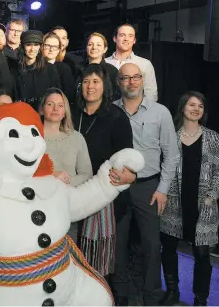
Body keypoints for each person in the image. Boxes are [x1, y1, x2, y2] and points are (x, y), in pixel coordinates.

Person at [0, 101, 145, 306]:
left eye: (33, 132)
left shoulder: (49, 184)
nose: (28, 143)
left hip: (67, 293)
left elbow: (79, 202)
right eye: (13, 133)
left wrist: (111, 179)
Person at [111, 63, 180, 306]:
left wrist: (162, 189)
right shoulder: (110, 111)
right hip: (116, 186)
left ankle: (151, 294)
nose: (131, 82)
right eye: (125, 78)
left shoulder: (160, 112)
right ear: (118, 82)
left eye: (136, 77)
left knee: (151, 244)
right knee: (117, 241)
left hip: (148, 187)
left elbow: (172, 154)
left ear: (143, 80)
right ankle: (120, 290)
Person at [160, 92, 219, 306]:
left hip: (203, 205)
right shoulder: (170, 135)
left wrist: (212, 196)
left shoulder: (213, 137)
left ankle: (201, 299)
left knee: (202, 255)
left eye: (200, 106)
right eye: (192, 104)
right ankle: (172, 291)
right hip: (173, 203)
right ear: (182, 108)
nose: (196, 109)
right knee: (168, 249)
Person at [72, 64, 134, 278]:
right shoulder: (71, 112)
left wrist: (131, 175)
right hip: (75, 191)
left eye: (96, 81)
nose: (90, 86)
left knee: (111, 260)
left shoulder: (116, 116)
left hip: (106, 196)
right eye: (86, 81)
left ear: (105, 86)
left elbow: (126, 157)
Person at [41, 88, 92, 187]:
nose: (55, 109)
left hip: (72, 197)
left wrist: (65, 184)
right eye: (50, 104)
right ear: (42, 109)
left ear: (65, 111)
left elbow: (87, 175)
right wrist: (51, 177)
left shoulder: (77, 138)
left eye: (60, 105)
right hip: (41, 198)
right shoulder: (32, 138)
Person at [10, 30, 63, 110]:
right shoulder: (13, 69)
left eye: (36, 44)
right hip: (19, 114)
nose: (32, 49)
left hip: (43, 114)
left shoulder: (50, 69)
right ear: (22, 46)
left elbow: (56, 95)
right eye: (28, 45)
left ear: (40, 47)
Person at [105, 24, 158, 101]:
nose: (126, 39)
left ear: (134, 40)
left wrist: (144, 112)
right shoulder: (104, 63)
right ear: (115, 38)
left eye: (130, 36)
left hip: (136, 112)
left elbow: (151, 93)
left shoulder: (145, 64)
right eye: (122, 35)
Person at [85, 32, 119, 101]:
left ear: (105, 49)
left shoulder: (112, 71)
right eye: (90, 44)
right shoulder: (77, 68)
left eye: (98, 45)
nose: (94, 47)